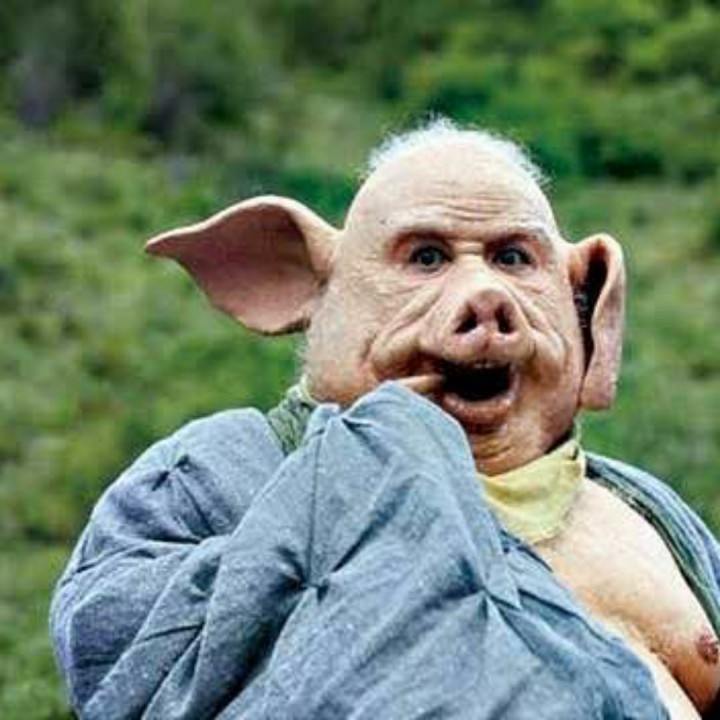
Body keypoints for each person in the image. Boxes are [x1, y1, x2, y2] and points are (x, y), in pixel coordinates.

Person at [51, 120, 720, 719]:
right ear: (304, 283)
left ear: (588, 301)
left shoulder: (643, 509)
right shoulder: (221, 472)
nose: (484, 297)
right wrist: (385, 456)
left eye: (514, 257)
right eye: (426, 257)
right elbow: (120, 660)